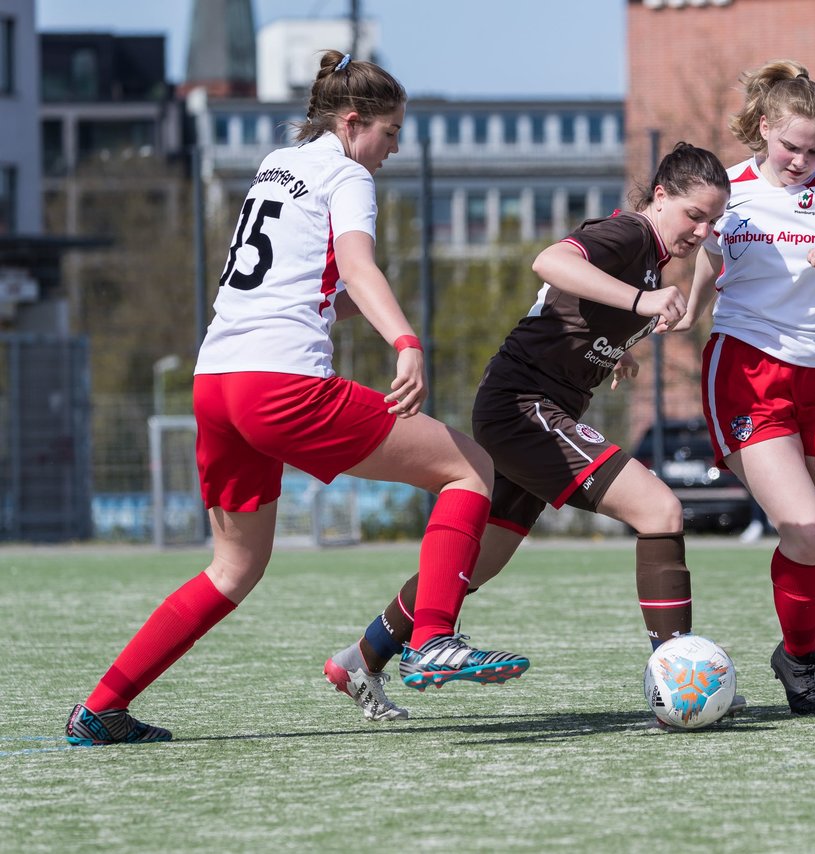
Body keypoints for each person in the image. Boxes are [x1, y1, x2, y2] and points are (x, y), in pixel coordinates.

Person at [65, 52, 528, 746]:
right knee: (470, 470)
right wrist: (405, 341)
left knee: (234, 567)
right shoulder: (347, 172)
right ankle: (432, 638)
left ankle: (101, 707)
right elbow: (360, 264)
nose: (394, 150)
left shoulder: (276, 163)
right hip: (280, 384)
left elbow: (300, 283)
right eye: (391, 133)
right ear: (352, 122)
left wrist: (343, 305)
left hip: (216, 381)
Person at [323, 142, 739, 724]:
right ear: (661, 196)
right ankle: (679, 675)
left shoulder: (654, 259)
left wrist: (628, 338)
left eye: (713, 220)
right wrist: (641, 300)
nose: (701, 229)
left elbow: (670, 316)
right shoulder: (629, 236)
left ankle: (359, 659)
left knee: (476, 565)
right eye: (694, 215)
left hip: (533, 408)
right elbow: (550, 262)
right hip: (524, 407)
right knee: (660, 510)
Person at [674, 60, 815, 716]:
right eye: (791, 146)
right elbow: (702, 253)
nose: (804, 159)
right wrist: (684, 310)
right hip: (746, 373)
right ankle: (800, 660)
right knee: (805, 530)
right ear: (763, 130)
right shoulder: (730, 188)